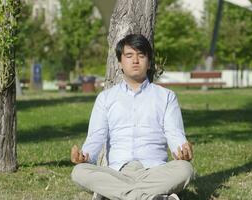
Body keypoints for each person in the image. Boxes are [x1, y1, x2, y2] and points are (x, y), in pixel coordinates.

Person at [70, 34, 194, 200]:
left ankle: (112, 194)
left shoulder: (166, 97)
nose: (135, 60)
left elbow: (174, 133)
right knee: (79, 172)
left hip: (154, 171)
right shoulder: (106, 98)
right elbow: (96, 136)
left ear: (149, 63)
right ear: (120, 63)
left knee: (185, 169)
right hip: (116, 172)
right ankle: (150, 197)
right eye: (129, 56)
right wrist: (85, 156)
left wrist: (182, 151)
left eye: (141, 55)